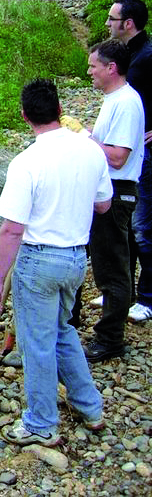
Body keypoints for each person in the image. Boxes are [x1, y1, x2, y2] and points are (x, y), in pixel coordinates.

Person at [0, 79, 111, 447]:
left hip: (40, 259)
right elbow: (103, 204)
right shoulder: (90, 151)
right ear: (60, 111)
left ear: (25, 116)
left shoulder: (27, 161)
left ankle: (41, 423)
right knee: (61, 331)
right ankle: (90, 407)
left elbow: (11, 230)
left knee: (37, 342)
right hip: (75, 257)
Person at [81, 40, 145, 362]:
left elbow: (118, 157)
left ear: (111, 68)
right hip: (107, 188)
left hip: (117, 192)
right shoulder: (114, 99)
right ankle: (77, 319)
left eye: (94, 66)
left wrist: (88, 140)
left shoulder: (127, 103)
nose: (89, 71)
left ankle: (110, 339)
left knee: (112, 269)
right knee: (101, 260)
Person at [107, 0, 152, 324]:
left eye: (112, 18)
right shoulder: (132, 56)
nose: (108, 24)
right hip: (133, 148)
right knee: (128, 225)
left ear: (129, 23)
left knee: (143, 225)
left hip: (142, 154)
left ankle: (147, 296)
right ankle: (123, 290)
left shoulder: (146, 59)